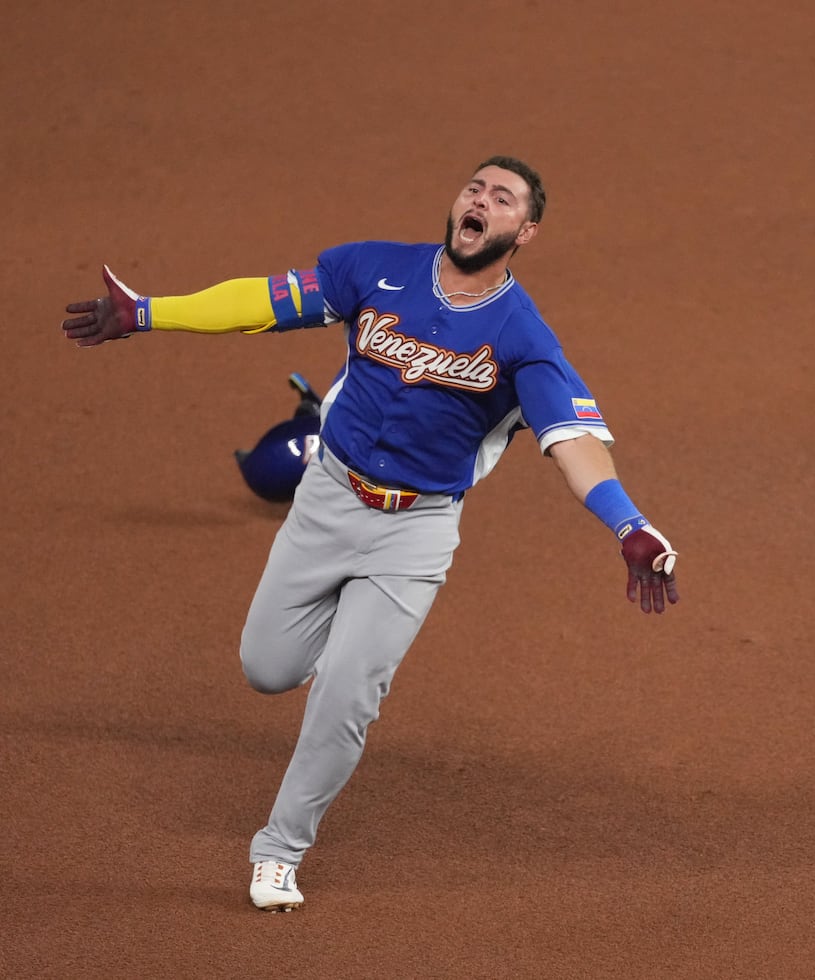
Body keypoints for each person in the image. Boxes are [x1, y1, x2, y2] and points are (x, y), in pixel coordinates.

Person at [62, 155, 680, 912]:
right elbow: (266, 300)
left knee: (349, 691)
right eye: (475, 188)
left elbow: (571, 441)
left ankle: (281, 847)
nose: (480, 201)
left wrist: (629, 524)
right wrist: (149, 311)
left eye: (503, 198)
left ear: (526, 232)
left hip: (414, 533)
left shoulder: (524, 338)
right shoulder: (374, 270)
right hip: (327, 499)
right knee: (266, 667)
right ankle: (309, 460)